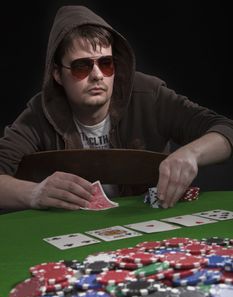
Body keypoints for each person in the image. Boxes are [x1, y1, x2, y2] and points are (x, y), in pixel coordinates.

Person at [0, 5, 232, 211]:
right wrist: (34, 194)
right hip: (73, 235)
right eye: (82, 66)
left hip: (144, 225)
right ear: (58, 74)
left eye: (106, 63)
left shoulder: (149, 95)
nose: (97, 75)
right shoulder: (41, 112)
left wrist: (190, 154)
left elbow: (226, 129)